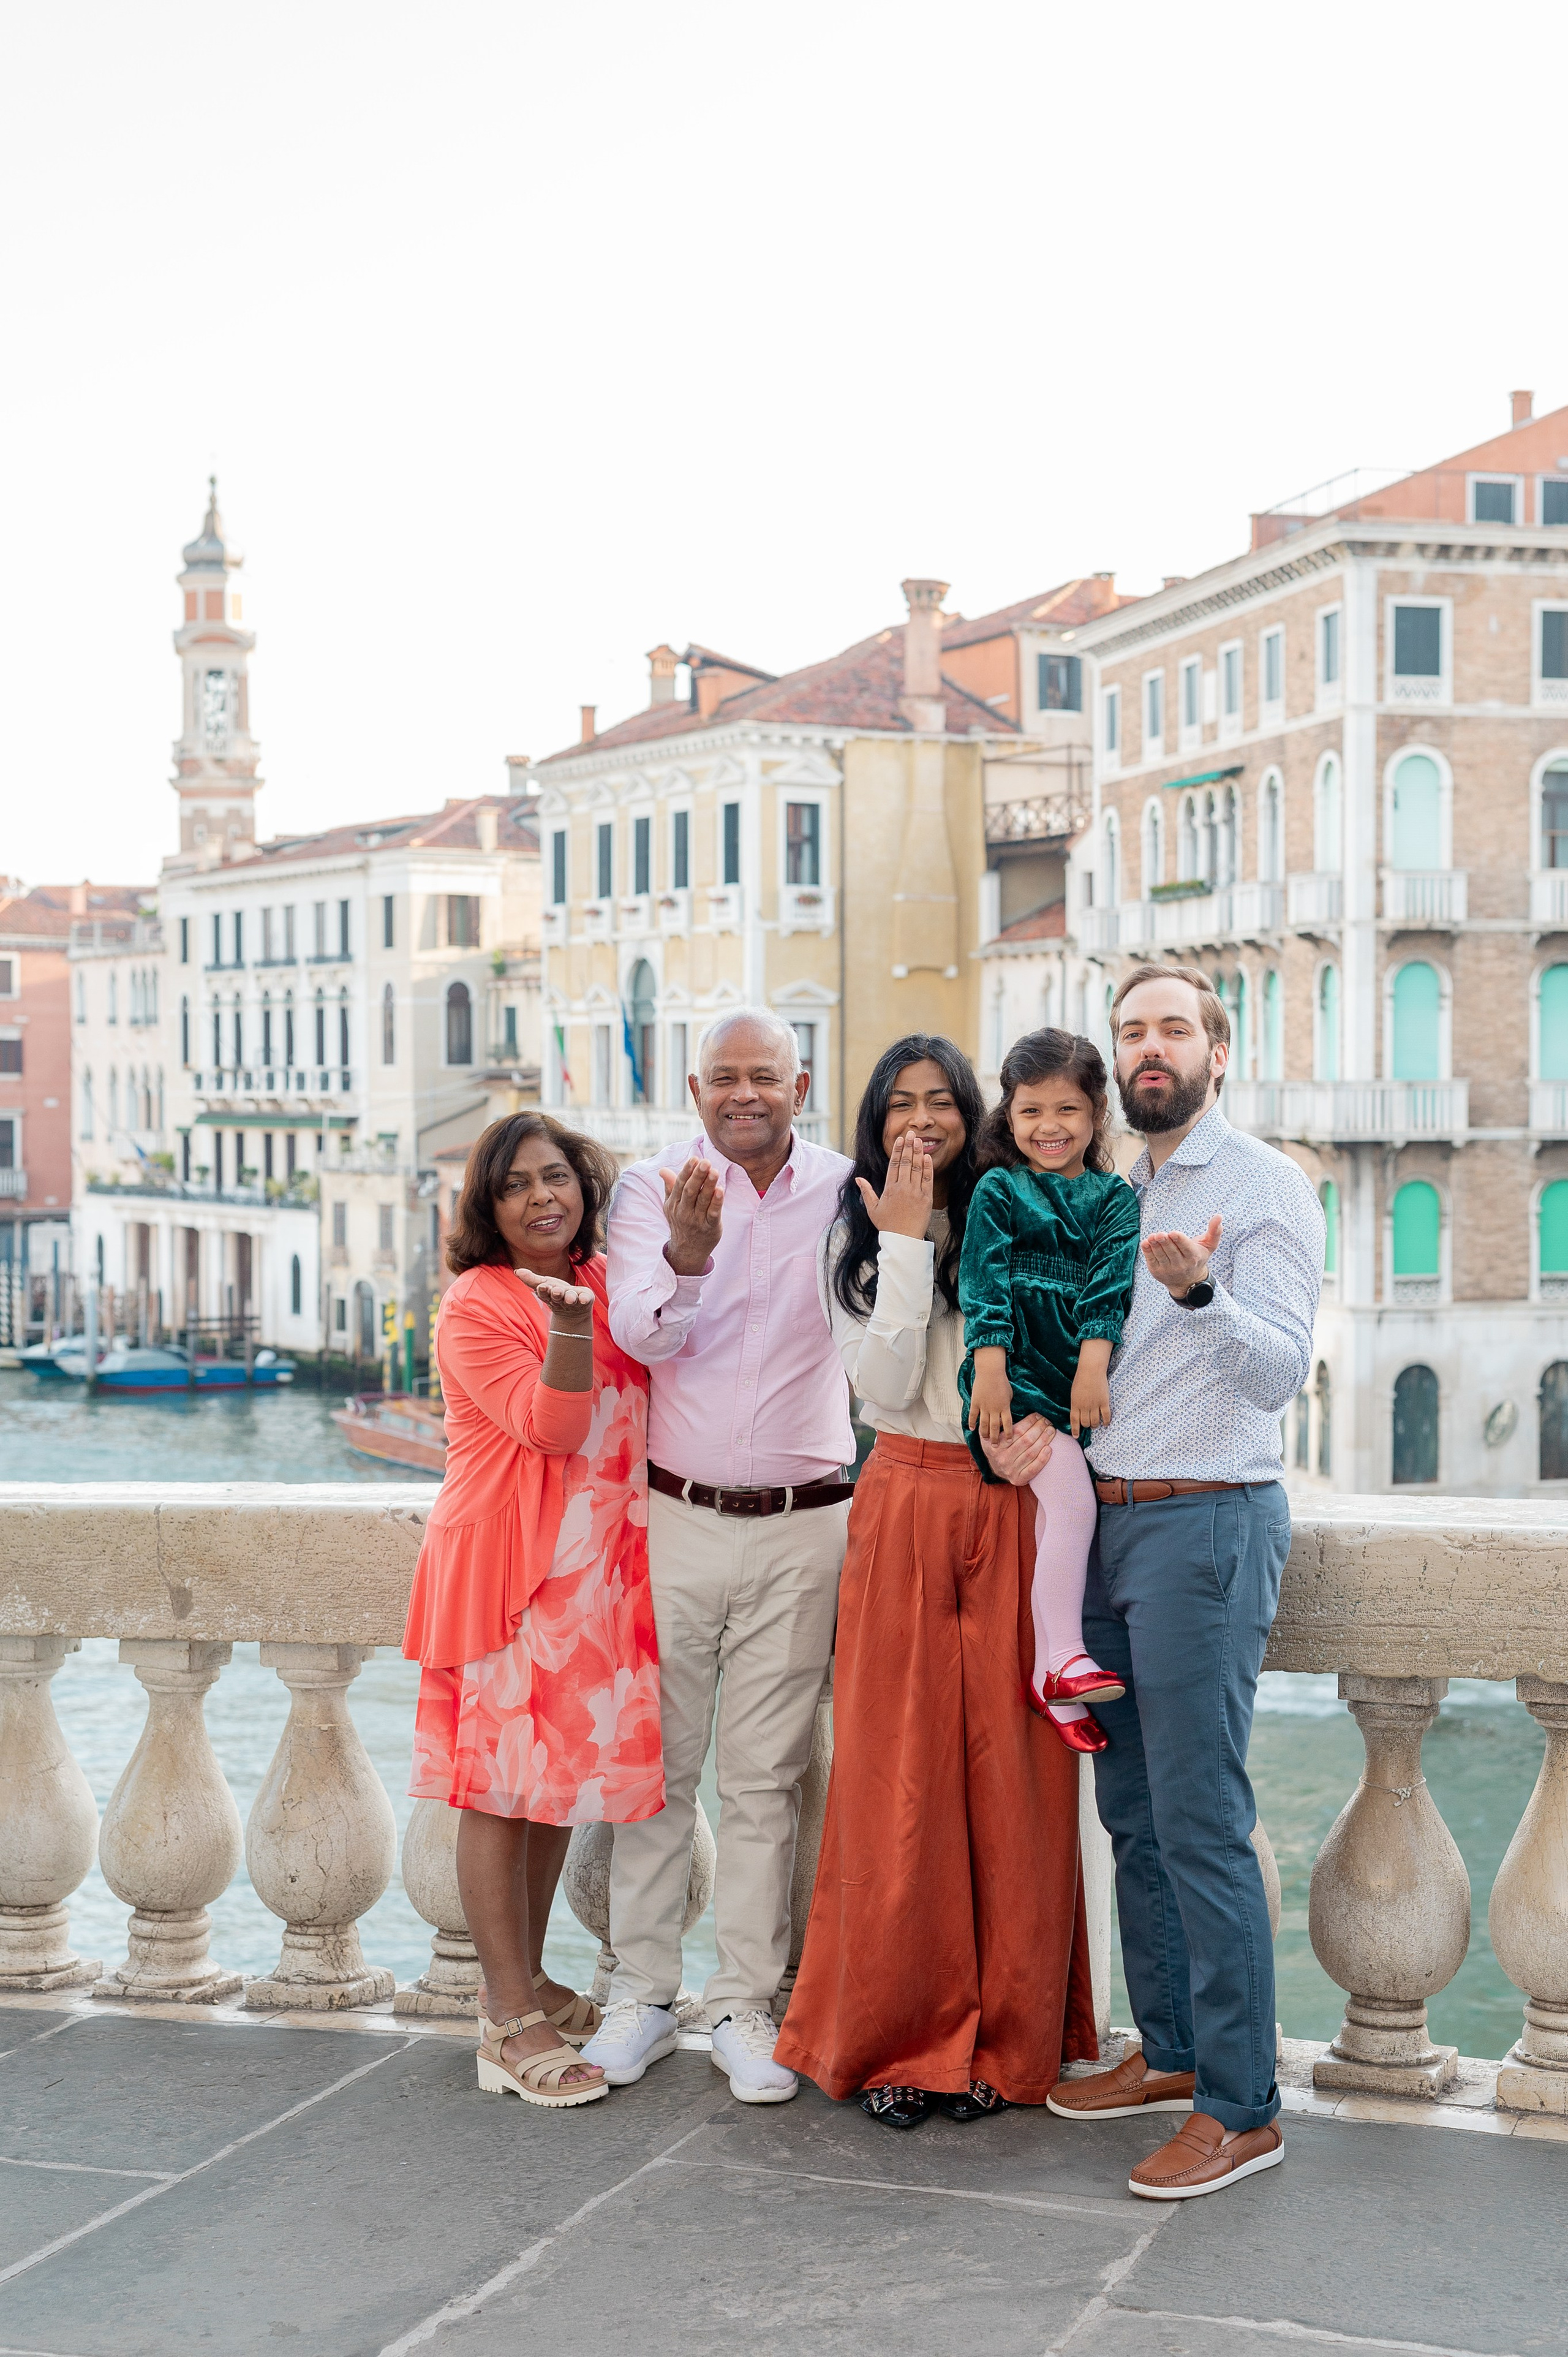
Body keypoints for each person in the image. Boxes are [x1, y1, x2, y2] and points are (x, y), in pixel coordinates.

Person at [775, 1036, 1100, 2128]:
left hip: (1010, 1501)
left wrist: (1043, 1424)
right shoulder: (854, 1233)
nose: (922, 1121)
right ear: (875, 1121)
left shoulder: (1027, 1207)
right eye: (901, 1104)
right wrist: (905, 1244)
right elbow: (878, 1386)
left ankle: (1011, 2043)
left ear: (974, 1114)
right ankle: (905, 2041)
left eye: (941, 1103)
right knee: (900, 1779)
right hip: (907, 1501)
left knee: (1015, 1779)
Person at [1044, 964, 1323, 2203]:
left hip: (1208, 1525)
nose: (1147, 1048)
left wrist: (1197, 1292)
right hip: (1100, 1525)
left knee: (1202, 1821)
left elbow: (1277, 1378)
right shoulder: (1109, 1188)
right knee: (1131, 1812)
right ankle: (1166, 2052)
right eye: (1129, 1032)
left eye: (1170, 1029)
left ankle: (1239, 2105)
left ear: (1215, 1048)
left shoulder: (1265, 1186)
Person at [583, 1008, 853, 2105]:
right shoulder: (651, 1192)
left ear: (802, 1085)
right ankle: (641, 1992)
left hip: (809, 1517)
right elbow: (645, 1335)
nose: (744, 1093)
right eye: (723, 1078)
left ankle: (748, 1999)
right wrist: (689, 1265)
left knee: (766, 1779)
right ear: (695, 1093)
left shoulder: (848, 1189)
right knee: (656, 1770)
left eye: (765, 1076)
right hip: (679, 1515)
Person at [403, 1113, 663, 2111]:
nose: (542, 1197)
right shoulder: (479, 1303)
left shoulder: (605, 1281)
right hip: (514, 1575)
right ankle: (507, 2016)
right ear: (489, 1207)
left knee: (551, 1790)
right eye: (516, 1186)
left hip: (598, 1581)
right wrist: (564, 1326)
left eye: (557, 1176)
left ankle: (536, 1978)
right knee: (499, 1793)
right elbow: (551, 1426)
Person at [957, 1029, 1142, 1750]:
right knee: (1068, 1496)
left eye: (1067, 1109)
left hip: (1070, 1378)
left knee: (1053, 1511)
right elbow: (986, 1283)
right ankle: (1062, 1655)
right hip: (1007, 1374)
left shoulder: (1113, 1199)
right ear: (1008, 1117)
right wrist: (993, 1369)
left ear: (1097, 1114)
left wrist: (1094, 1364)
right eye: (1031, 1111)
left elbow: (1108, 1289)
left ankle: (1049, 1678)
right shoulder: (999, 1189)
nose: (1049, 1127)